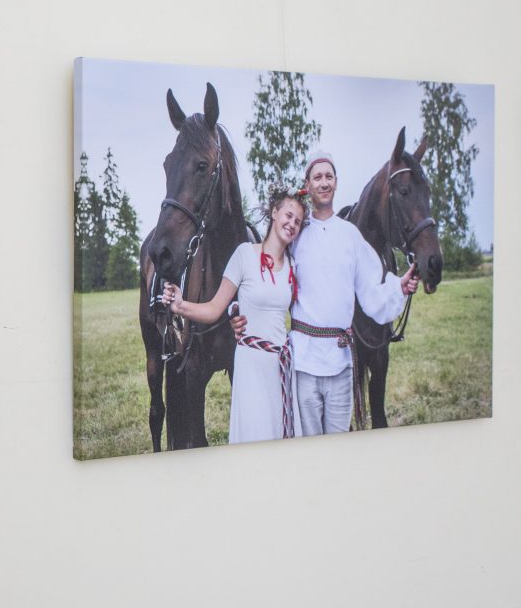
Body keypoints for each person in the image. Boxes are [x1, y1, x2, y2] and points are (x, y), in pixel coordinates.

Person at [234, 152, 420, 436]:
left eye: (329, 176)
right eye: (317, 177)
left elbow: (371, 292)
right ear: (307, 185)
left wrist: (399, 288)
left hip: (341, 363)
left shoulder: (350, 236)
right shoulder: (295, 234)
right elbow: (263, 278)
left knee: (338, 445)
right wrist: (237, 314)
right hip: (303, 364)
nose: (323, 182)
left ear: (336, 183)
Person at [163, 186, 309, 444]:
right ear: (274, 213)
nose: (292, 223)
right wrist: (180, 305)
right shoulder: (244, 255)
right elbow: (214, 308)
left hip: (281, 366)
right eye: (288, 215)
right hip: (250, 364)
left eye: (298, 221)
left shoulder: (293, 266)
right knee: (255, 435)